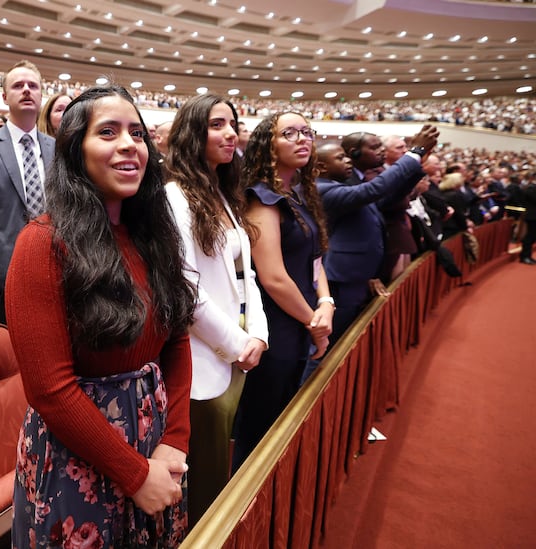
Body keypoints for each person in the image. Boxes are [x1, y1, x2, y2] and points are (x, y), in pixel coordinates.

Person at [5, 85, 196, 547]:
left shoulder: (152, 235)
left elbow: (176, 340)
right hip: (79, 459)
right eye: (108, 132)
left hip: (156, 446)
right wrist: (134, 475)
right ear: (75, 150)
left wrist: (175, 440)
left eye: (137, 133)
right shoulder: (41, 243)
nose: (129, 144)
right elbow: (50, 391)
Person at [162, 94, 268, 526]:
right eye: (217, 125)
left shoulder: (223, 194)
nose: (231, 133)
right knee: (201, 477)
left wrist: (259, 333)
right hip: (202, 356)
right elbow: (183, 285)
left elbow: (247, 276)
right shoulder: (174, 196)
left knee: (217, 467)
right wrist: (237, 342)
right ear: (192, 134)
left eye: (233, 124)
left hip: (238, 351)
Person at [231, 112, 333, 471]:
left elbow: (315, 259)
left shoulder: (299, 194)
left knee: (282, 420)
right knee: (260, 427)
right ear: (267, 146)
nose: (302, 139)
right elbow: (273, 277)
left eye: (307, 132)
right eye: (289, 133)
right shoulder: (262, 198)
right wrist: (313, 321)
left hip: (302, 317)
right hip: (276, 327)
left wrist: (326, 302)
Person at [318, 126, 439, 345]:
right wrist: (415, 152)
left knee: (346, 336)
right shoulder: (328, 187)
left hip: (356, 274)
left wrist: (417, 163)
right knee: (334, 341)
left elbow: (383, 199)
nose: (347, 162)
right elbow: (376, 190)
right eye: (375, 147)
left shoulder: (352, 180)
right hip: (342, 276)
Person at [0, 60, 55, 325]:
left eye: (33, 86)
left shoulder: (57, 148)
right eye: (18, 85)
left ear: (41, 95)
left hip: (54, 266)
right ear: (5, 97)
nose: (27, 90)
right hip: (2, 271)